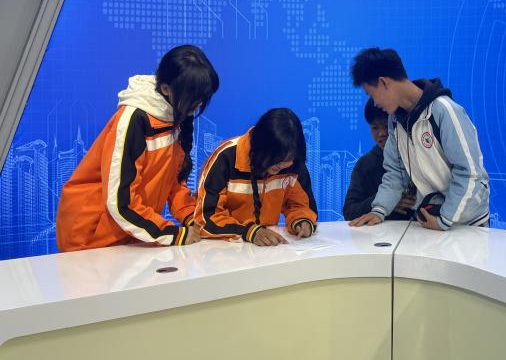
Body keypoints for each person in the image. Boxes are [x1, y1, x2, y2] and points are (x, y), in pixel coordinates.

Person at [56, 45, 219, 251]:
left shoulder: (175, 115)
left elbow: (175, 183)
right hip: (91, 238)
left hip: (129, 233)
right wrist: (172, 234)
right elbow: (120, 203)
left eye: (202, 97)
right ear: (166, 89)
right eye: (193, 96)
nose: (199, 103)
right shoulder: (134, 120)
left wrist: (192, 218)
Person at [348, 47, 490, 231]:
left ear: (383, 82)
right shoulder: (395, 121)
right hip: (432, 219)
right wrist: (379, 210)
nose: (375, 103)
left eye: (371, 95)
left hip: (468, 222)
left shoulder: (444, 111)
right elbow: (396, 172)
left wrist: (445, 219)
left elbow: (469, 172)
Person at [194, 108, 317, 246]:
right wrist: (249, 232)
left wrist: (302, 220)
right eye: (277, 159)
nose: (283, 165)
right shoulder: (226, 157)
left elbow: (301, 205)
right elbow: (205, 218)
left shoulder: (293, 163)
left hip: (269, 248)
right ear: (261, 146)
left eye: (288, 159)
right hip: (224, 248)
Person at [342, 99, 416, 221]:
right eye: (375, 128)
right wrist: (387, 201)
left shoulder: (416, 156)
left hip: (422, 229)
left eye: (386, 126)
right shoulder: (365, 165)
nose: (381, 133)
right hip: (380, 230)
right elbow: (349, 211)